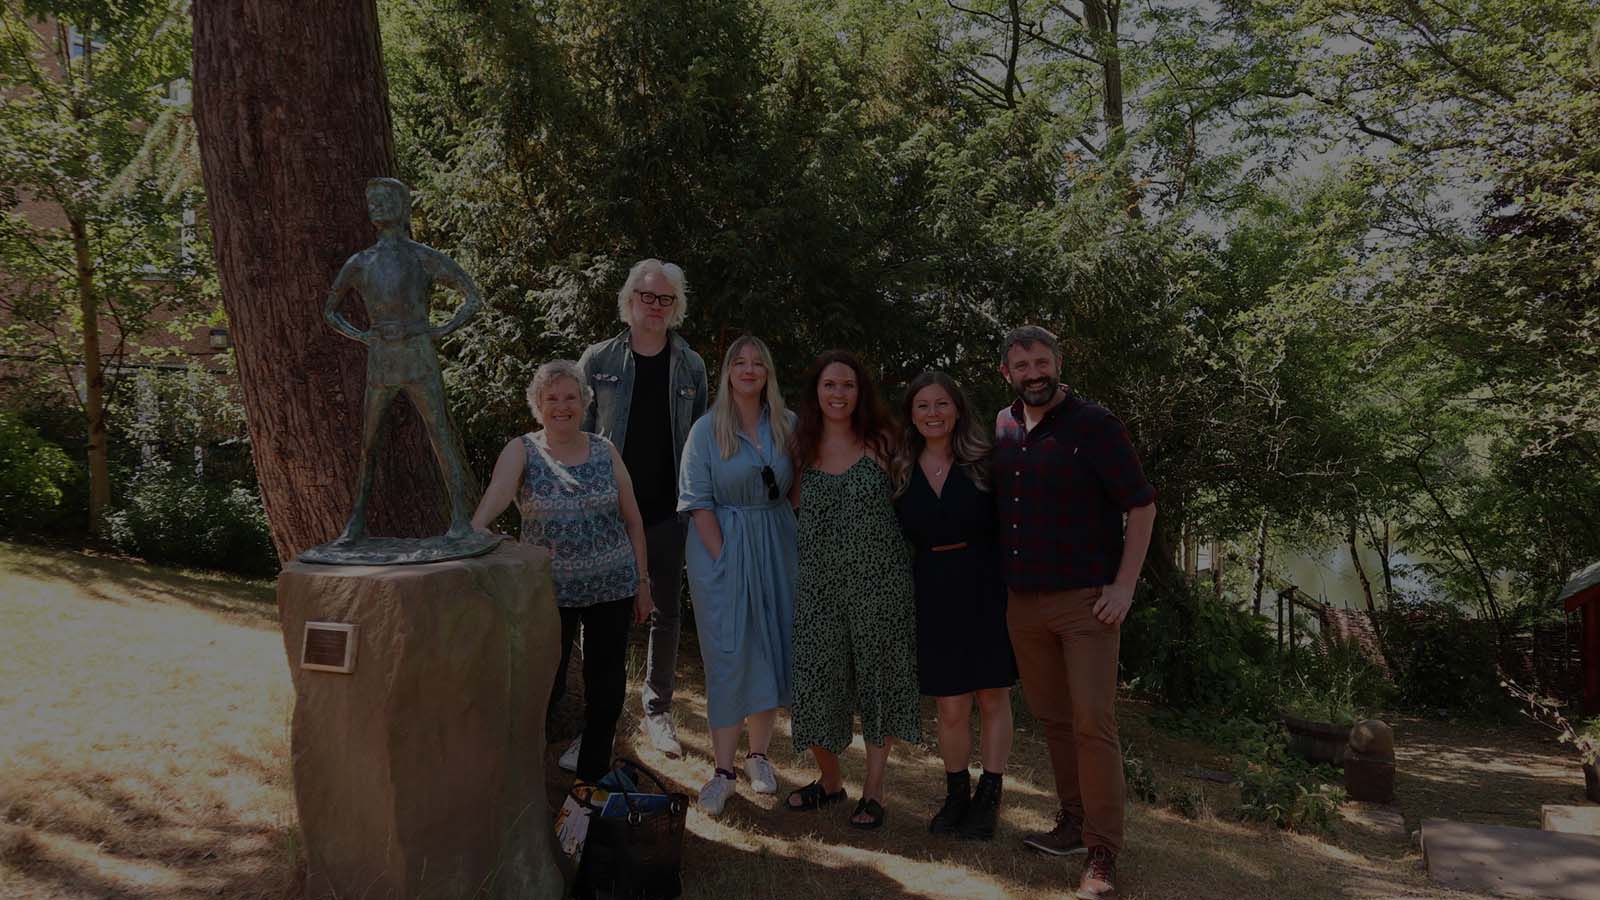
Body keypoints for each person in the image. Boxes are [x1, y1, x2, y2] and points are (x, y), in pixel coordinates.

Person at [993, 326, 1157, 900]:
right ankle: (1070, 822)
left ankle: (1102, 850)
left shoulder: (1096, 426)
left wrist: (1124, 587)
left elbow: (1142, 507)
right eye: (1022, 365)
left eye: (1042, 361)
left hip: (1087, 605)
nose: (1033, 372)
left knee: (1093, 723)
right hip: (1023, 604)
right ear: (1007, 373)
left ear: (1058, 363)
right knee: (1055, 721)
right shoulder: (1004, 426)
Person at [470, 360, 654, 784]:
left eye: (570, 397)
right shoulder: (523, 449)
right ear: (538, 404)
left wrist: (642, 583)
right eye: (551, 398)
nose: (562, 406)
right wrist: (477, 530)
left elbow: (633, 522)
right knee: (544, 686)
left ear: (584, 402)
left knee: (605, 689)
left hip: (613, 586)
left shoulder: (605, 450)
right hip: (549, 593)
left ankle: (590, 782)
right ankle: (520, 779)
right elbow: (496, 498)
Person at [575, 259, 709, 763]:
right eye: (646, 296)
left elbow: (697, 443)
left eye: (664, 299)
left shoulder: (691, 366)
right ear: (629, 300)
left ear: (676, 307)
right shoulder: (598, 359)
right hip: (607, 513)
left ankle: (658, 711)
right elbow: (580, 436)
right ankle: (598, 717)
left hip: (668, 513)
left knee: (666, 613)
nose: (654, 306)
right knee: (604, 613)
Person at [785, 350, 919, 830]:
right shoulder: (800, 446)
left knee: (878, 685)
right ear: (815, 393)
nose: (838, 394)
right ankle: (830, 783)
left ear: (860, 393)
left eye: (847, 385)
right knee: (815, 682)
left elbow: (917, 505)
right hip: (819, 587)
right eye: (829, 385)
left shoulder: (884, 442)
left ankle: (875, 791)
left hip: (880, 585)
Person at [890, 371, 1016, 840]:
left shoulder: (986, 462)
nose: (933, 413)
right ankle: (956, 794)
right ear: (912, 415)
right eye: (922, 406)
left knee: (992, 695)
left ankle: (990, 796)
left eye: (941, 404)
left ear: (957, 409)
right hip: (933, 589)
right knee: (950, 706)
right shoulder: (901, 467)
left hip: (987, 586)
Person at [677, 335, 798, 816]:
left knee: (768, 645)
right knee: (729, 653)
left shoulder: (787, 426)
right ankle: (722, 772)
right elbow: (697, 500)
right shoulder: (707, 430)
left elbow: (799, 489)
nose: (749, 370)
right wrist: (724, 557)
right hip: (721, 546)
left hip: (776, 544)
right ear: (727, 372)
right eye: (740, 363)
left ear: (768, 373)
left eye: (758, 364)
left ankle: (759, 757)